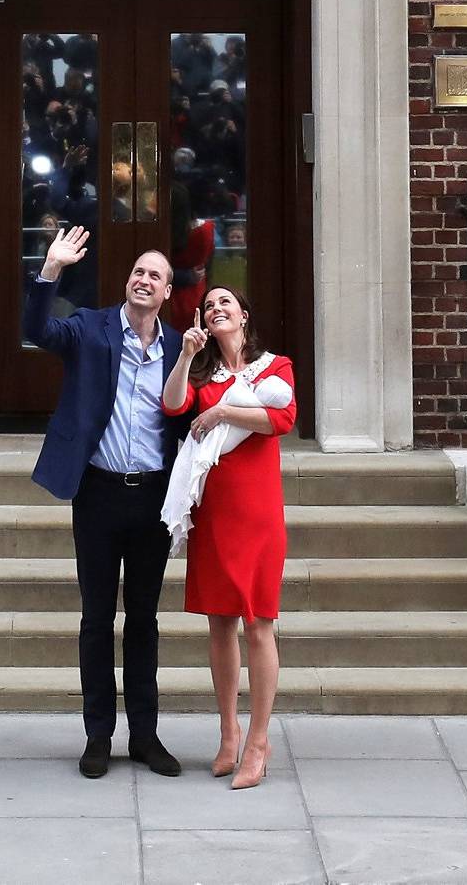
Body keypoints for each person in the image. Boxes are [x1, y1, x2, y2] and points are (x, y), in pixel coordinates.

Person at [24, 222, 185, 780]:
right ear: (127, 282)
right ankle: (98, 735)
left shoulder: (179, 350)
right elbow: (38, 330)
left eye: (155, 276)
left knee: (143, 620)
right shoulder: (91, 329)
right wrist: (51, 270)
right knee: (97, 619)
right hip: (98, 494)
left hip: (153, 501)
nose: (144, 280)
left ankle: (144, 736)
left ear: (168, 293)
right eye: (138, 272)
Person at [161, 285, 296, 791]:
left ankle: (259, 741)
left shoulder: (274, 367)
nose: (217, 309)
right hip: (214, 513)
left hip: (257, 513)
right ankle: (227, 734)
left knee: (259, 623)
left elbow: (280, 419)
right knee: (219, 625)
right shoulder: (202, 373)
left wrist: (220, 413)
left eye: (226, 303)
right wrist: (186, 355)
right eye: (210, 304)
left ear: (244, 313)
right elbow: (174, 407)